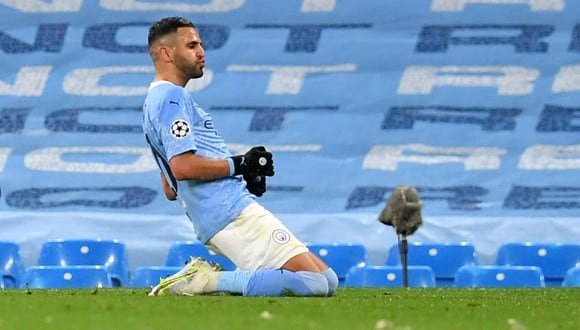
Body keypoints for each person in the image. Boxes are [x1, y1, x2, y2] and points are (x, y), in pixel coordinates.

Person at [142, 16, 338, 297]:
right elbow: (183, 167)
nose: (201, 51)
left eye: (201, 45)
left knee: (328, 279)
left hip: (220, 211)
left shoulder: (155, 103)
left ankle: (215, 280)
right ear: (166, 53)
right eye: (192, 45)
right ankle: (204, 280)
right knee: (312, 283)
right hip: (228, 213)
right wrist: (240, 164)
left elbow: (169, 187)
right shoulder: (171, 99)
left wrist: (243, 172)